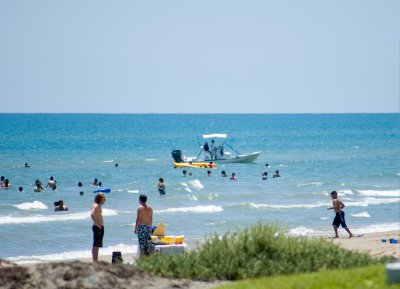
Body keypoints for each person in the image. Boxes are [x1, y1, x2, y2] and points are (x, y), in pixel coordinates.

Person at [91, 193, 106, 262]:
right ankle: (95, 260)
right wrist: (98, 224)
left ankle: (95, 260)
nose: (105, 199)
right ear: (100, 199)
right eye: (104, 198)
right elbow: (92, 215)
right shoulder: (96, 206)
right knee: (96, 245)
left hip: (99, 227)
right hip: (97, 227)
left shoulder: (98, 206)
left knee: (97, 245)